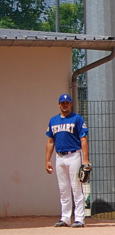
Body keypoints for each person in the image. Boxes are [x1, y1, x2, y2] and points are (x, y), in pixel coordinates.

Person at [45, 93, 89, 227]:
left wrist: (85, 159)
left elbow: (83, 139)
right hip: (59, 157)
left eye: (67, 102)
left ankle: (79, 218)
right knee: (63, 188)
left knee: (76, 187)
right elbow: (50, 141)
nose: (65, 105)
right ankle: (65, 218)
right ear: (59, 105)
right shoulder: (53, 121)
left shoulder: (77, 119)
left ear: (71, 104)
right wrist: (47, 160)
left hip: (74, 155)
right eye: (62, 103)